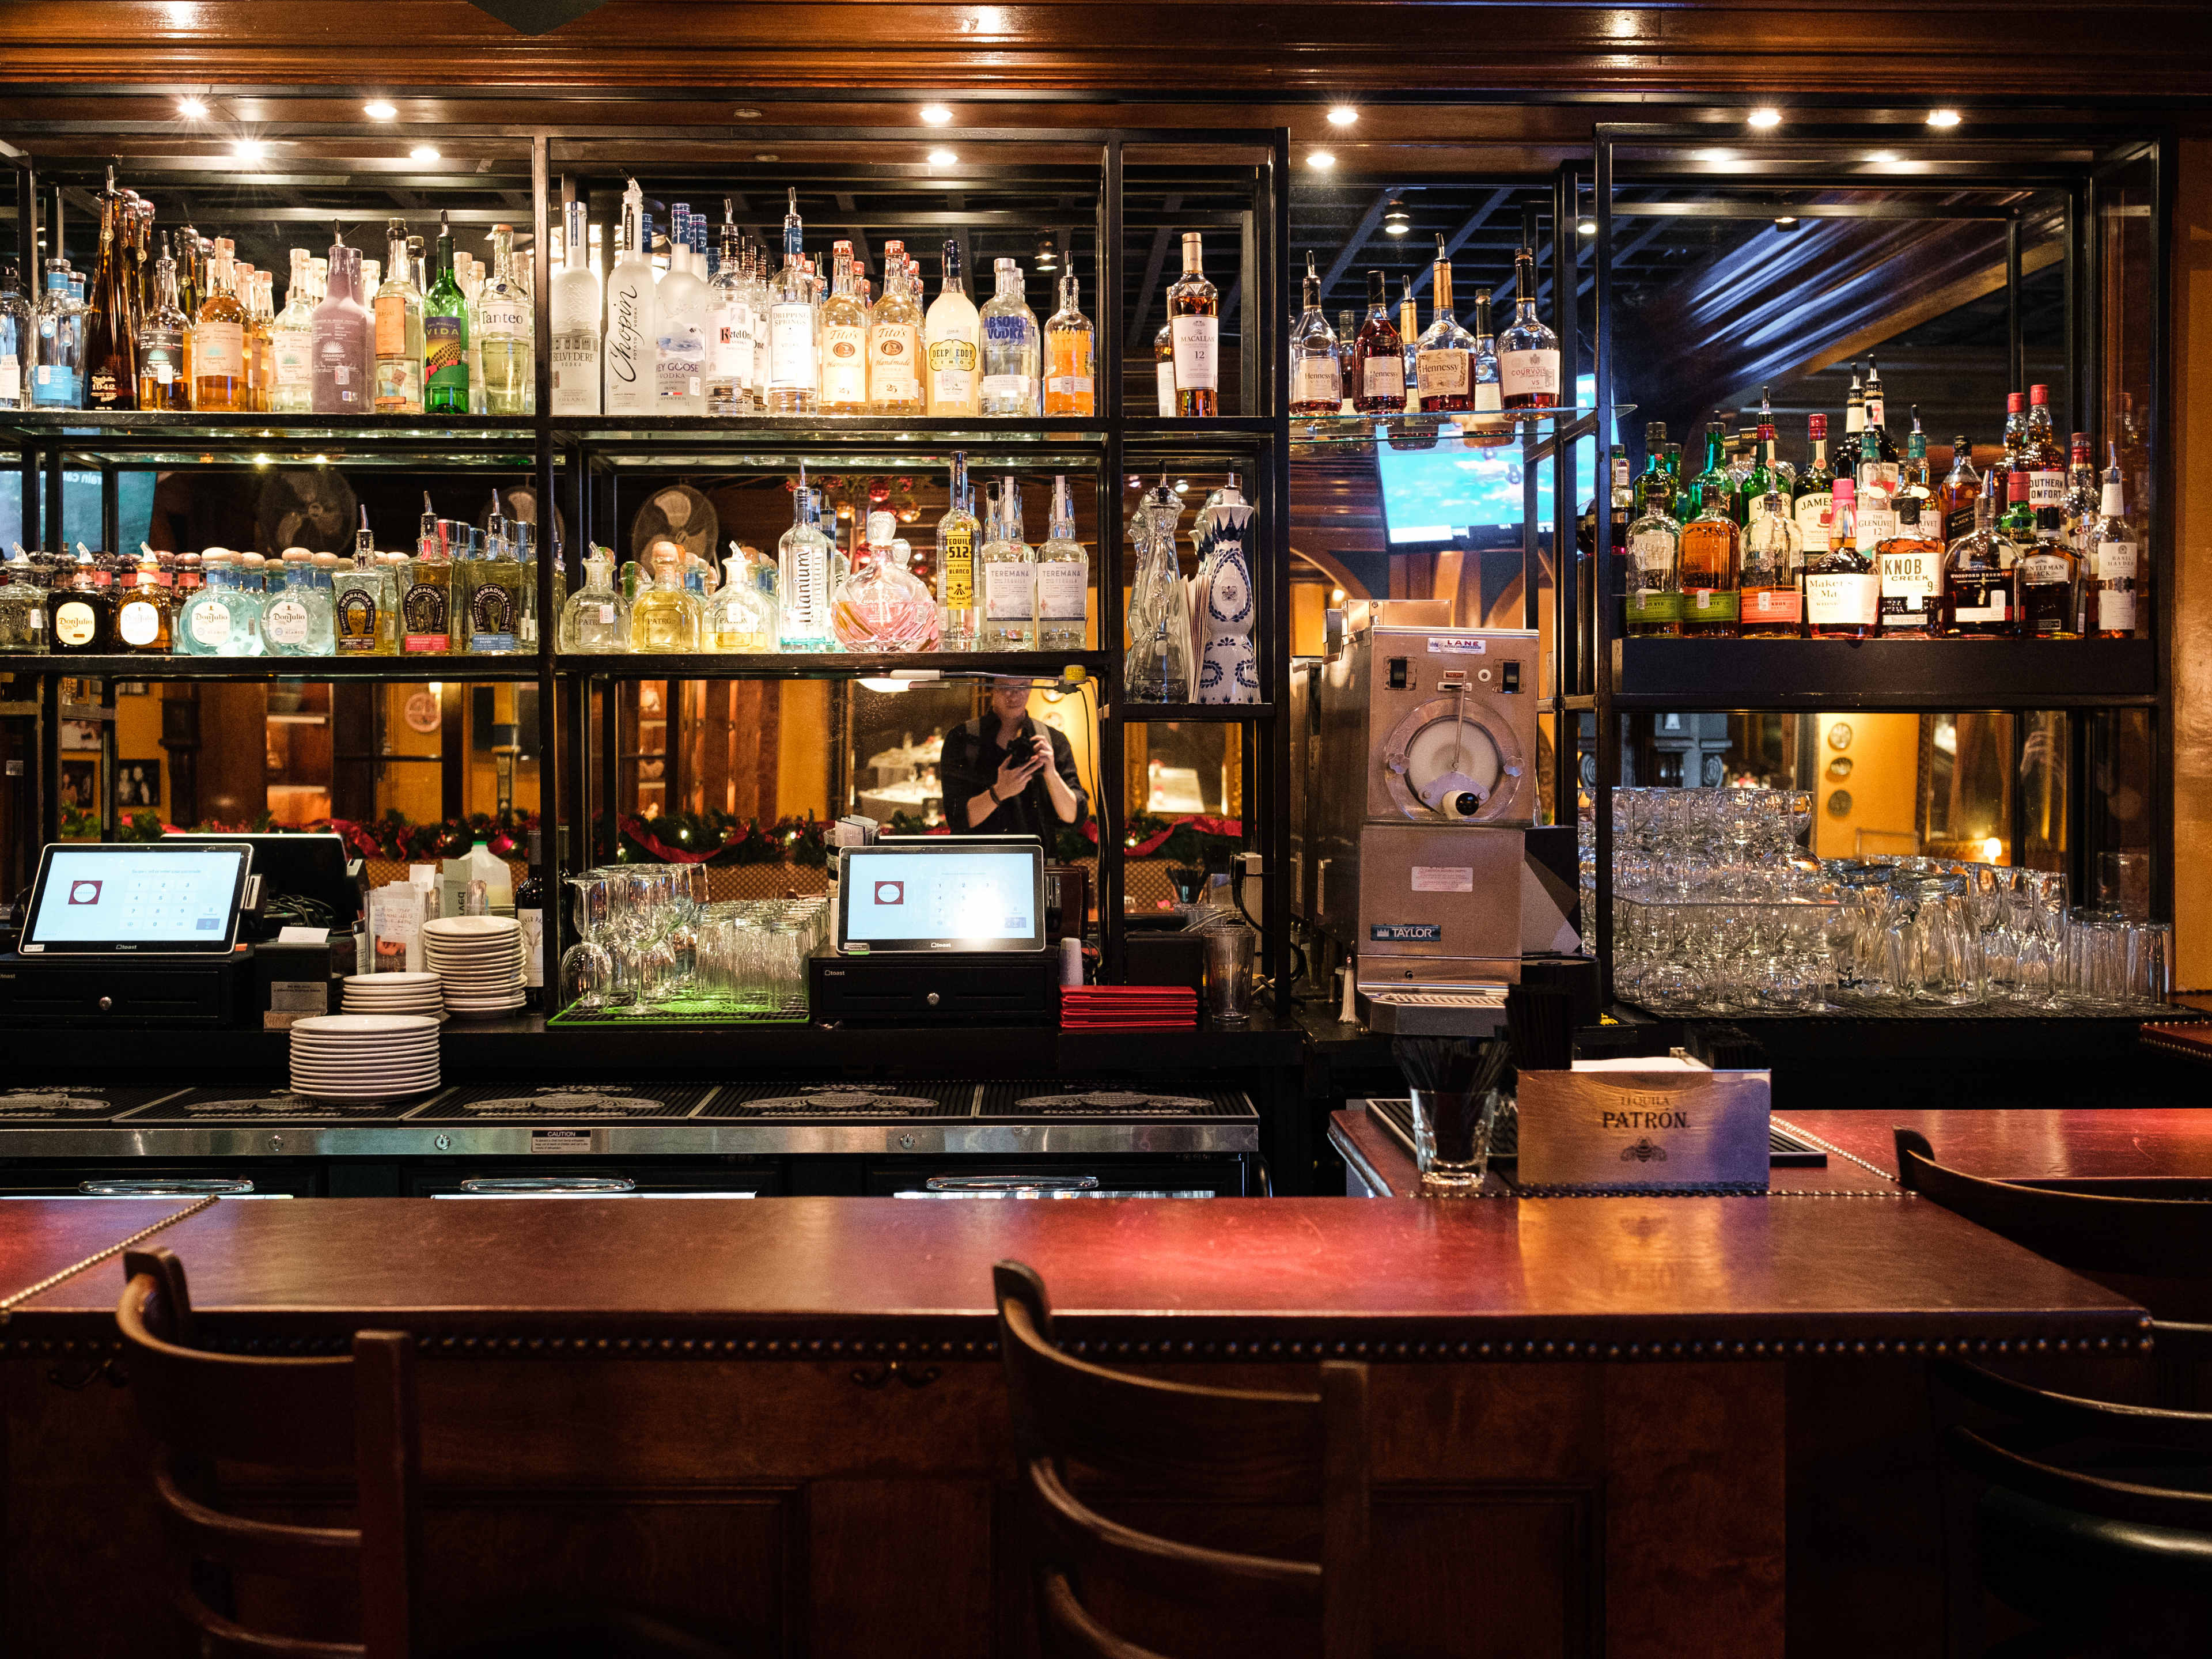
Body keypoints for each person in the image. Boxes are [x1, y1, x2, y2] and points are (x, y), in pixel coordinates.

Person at [938, 676, 1087, 841]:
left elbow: (1073, 817)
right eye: (1005, 687)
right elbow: (957, 819)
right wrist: (999, 792)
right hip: (981, 855)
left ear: (1032, 686)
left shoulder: (1053, 740)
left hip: (1037, 854)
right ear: (991, 687)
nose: (1015, 695)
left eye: (1023, 686)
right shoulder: (963, 738)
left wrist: (1051, 774)